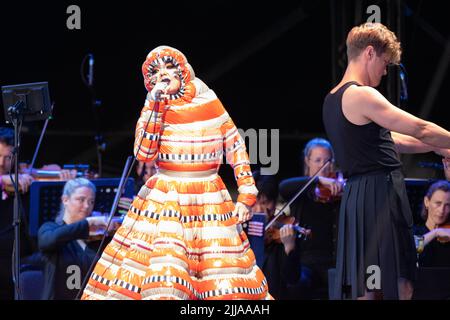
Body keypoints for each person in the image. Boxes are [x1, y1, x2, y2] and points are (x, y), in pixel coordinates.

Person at [82, 46, 269, 300]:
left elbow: (235, 145)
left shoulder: (208, 100)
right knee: (167, 270)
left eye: (170, 69)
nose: (164, 76)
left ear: (183, 71)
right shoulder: (154, 105)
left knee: (217, 279)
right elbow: (143, 154)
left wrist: (247, 194)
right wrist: (155, 105)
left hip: (208, 198)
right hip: (167, 197)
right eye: (157, 73)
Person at [322, 22, 450, 300]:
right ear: (370, 52)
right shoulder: (362, 95)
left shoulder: (332, 99)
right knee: (400, 285)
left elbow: (394, 141)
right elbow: (420, 128)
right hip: (380, 196)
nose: (385, 69)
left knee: (369, 288)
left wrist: (440, 148)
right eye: (385, 61)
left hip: (357, 199)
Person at [277, 138, 342, 299]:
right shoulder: (301, 190)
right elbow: (283, 187)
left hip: (334, 262)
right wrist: (318, 180)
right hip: (307, 262)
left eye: (327, 160)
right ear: (307, 161)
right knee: (297, 285)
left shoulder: (338, 190)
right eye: (318, 160)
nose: (323, 165)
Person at [38, 178, 117, 300]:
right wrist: (88, 222)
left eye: (91, 202)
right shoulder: (49, 229)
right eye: (81, 199)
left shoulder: (97, 237)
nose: (87, 206)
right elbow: (49, 240)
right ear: (65, 200)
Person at [413, 180, 450, 267]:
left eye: (447, 205)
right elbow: (412, 249)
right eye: (438, 203)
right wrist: (435, 232)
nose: (442, 210)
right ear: (427, 202)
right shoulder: (416, 231)